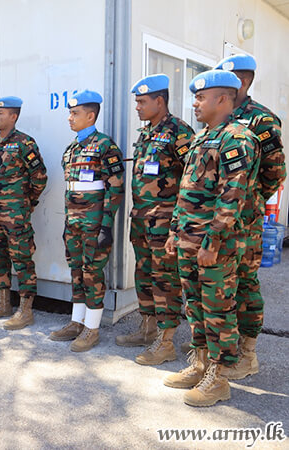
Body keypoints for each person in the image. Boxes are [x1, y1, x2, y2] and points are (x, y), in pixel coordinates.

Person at [163, 70, 258, 407]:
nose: (195, 103)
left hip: (213, 244)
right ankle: (201, 363)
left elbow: (231, 195)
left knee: (218, 308)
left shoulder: (237, 139)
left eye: (201, 97)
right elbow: (186, 190)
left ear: (222, 99)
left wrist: (213, 240)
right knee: (196, 305)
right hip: (189, 238)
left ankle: (219, 377)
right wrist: (175, 230)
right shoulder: (203, 138)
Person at [214, 54, 286, 380]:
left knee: (244, 285)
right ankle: (218, 351)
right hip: (215, 218)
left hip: (245, 223)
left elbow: (275, 172)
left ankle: (248, 353)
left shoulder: (262, 121)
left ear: (241, 82)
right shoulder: (218, 119)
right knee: (219, 286)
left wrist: (250, 200)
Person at [115, 74, 195, 365]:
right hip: (141, 218)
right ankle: (148, 328)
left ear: (159, 101)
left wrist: (179, 222)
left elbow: (192, 179)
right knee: (144, 273)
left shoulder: (180, 132)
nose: (137, 107)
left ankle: (167, 341)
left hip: (164, 221)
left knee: (165, 279)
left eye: (142, 102)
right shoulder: (147, 132)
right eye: (136, 102)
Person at [49, 90, 124, 352]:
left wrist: (105, 225)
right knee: (77, 272)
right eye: (70, 113)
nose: (70, 118)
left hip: (94, 223)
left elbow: (116, 187)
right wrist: (68, 222)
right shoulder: (72, 148)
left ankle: (92, 328)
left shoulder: (105, 146)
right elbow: (71, 188)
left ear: (90, 115)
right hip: (74, 223)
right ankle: (76, 322)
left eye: (75, 113)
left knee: (92, 274)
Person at [0, 96, 48, 330]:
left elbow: (40, 177)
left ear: (14, 116)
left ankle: (25, 309)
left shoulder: (24, 143)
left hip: (16, 214)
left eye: (1, 113)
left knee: (22, 260)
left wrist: (26, 204)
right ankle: (2, 303)